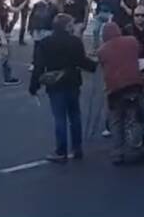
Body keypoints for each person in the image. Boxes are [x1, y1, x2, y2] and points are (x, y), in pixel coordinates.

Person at [29, 14, 98, 163]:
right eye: (71, 24)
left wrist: (34, 86)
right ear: (67, 26)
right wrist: (95, 67)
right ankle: (77, 148)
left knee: (59, 118)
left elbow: (39, 66)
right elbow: (82, 61)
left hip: (55, 83)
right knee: (75, 116)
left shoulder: (45, 43)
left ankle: (61, 151)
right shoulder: (75, 42)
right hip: (72, 81)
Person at [96, 23, 144, 164]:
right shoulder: (132, 41)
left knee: (116, 121)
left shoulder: (102, 50)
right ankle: (136, 149)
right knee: (135, 119)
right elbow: (139, 51)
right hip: (134, 86)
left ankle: (118, 152)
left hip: (115, 89)